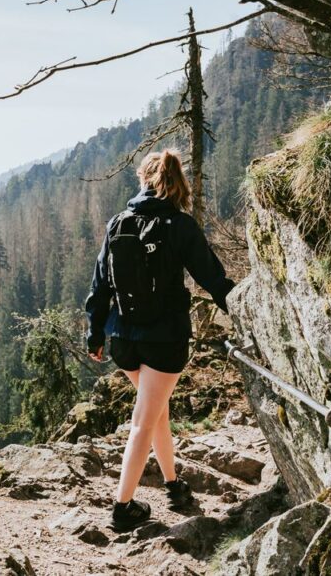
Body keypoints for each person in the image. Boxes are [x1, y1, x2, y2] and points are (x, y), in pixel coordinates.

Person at [84, 149, 234, 532]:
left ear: (144, 180)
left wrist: (95, 333)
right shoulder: (179, 225)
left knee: (156, 412)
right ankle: (122, 508)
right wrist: (239, 307)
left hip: (123, 339)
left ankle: (173, 485)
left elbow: (100, 285)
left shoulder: (118, 223)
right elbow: (211, 276)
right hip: (164, 339)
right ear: (176, 182)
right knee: (143, 420)